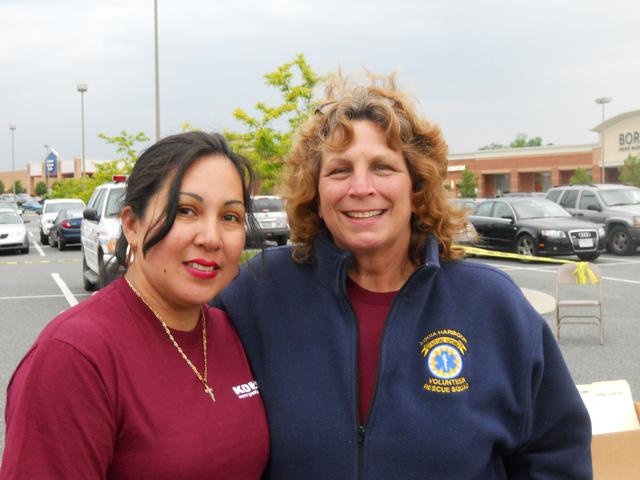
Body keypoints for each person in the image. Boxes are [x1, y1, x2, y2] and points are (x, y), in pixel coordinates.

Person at [214, 76, 592, 479]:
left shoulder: (492, 306)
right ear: (315, 194)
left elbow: (556, 454)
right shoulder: (260, 291)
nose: (361, 187)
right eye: (340, 170)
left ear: (416, 187)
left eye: (382, 167)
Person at [1, 132, 269, 479]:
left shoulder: (228, 331)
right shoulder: (74, 355)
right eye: (186, 211)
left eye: (230, 217)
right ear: (131, 224)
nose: (211, 238)